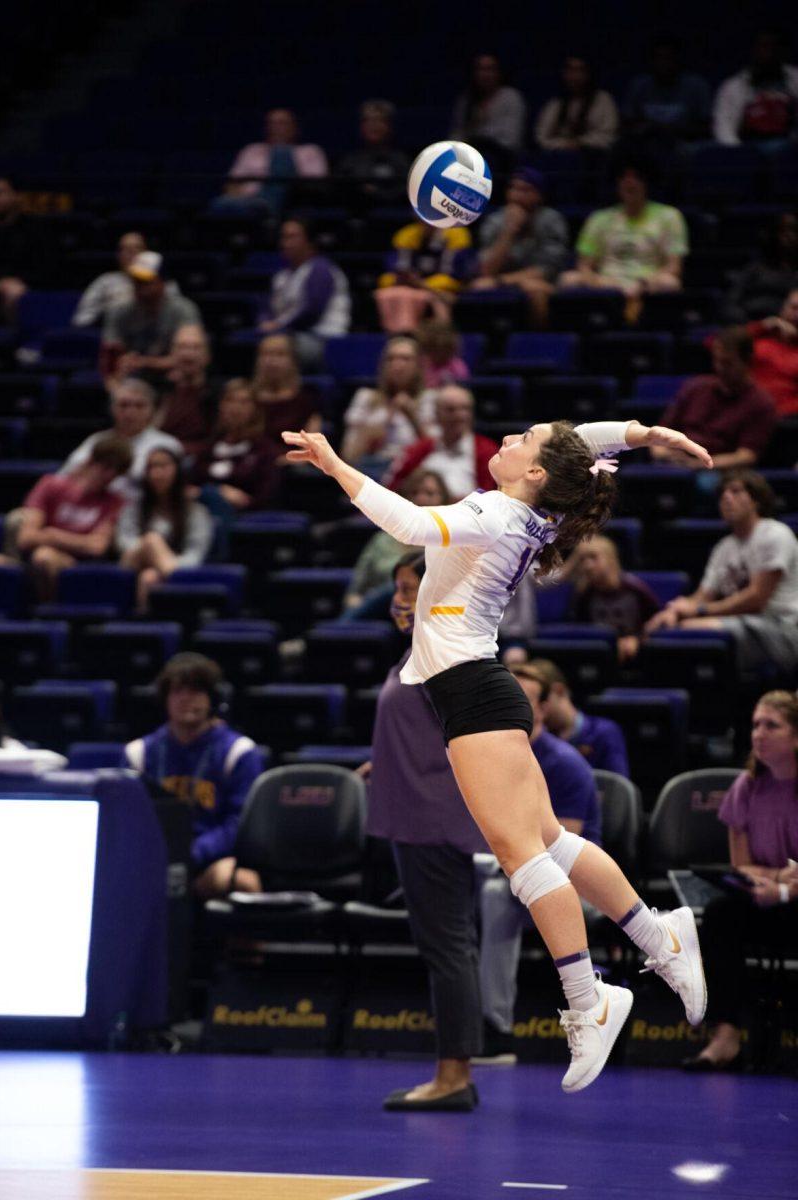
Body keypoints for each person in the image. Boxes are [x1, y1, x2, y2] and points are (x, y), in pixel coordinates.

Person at [282, 414, 712, 1094]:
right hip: (477, 690)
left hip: (474, 695)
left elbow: (408, 526)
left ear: (534, 472)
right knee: (548, 842)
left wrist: (335, 465)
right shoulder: (535, 505)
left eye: (522, 441)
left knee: (522, 857)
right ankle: (661, 937)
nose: (507, 441)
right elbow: (577, 448)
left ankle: (588, 997)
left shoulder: (494, 510)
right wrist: (645, 431)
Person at [361, 552, 488, 1110]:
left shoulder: (445, 652)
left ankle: (454, 1076)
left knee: (448, 949)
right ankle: (453, 1071)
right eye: (397, 590)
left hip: (434, 820)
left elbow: (473, 733)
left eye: (410, 589)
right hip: (413, 816)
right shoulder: (423, 650)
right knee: (446, 947)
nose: (398, 600)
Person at [478, 663, 602, 1061]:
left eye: (523, 699)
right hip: (508, 871)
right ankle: (461, 1020)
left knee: (498, 894)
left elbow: (557, 850)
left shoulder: (565, 764)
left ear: (543, 710)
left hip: (575, 886)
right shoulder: (487, 756)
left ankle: (494, 1030)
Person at [683, 690, 798, 1071]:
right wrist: (781, 878)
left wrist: (784, 889)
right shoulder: (746, 787)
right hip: (764, 899)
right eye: (755, 725)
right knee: (720, 915)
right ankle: (726, 1036)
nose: (759, 734)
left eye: (772, 726)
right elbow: (742, 866)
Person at [123, 653, 264, 899]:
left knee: (243, 882)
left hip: (208, 863)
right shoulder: (139, 753)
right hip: (151, 859)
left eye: (196, 691)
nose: (186, 699)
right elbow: (126, 818)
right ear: (165, 699)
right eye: (178, 691)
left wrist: (193, 851)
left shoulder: (238, 752)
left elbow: (240, 824)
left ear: (213, 699)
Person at [645, 470, 798, 674]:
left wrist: (700, 611)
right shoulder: (724, 547)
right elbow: (702, 596)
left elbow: (757, 598)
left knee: (694, 631)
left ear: (756, 501)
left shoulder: (775, 534)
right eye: (722, 494)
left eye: (735, 491)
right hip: (743, 624)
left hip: (780, 629)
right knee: (663, 630)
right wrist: (673, 612)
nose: (726, 498)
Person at [0, 434, 131, 602]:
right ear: (91, 462)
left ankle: (47, 615)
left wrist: (52, 535)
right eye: (106, 466)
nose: (109, 475)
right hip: (27, 562)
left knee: (44, 556)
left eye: (116, 471)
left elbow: (97, 546)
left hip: (78, 565)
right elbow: (26, 538)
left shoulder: (114, 501)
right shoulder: (50, 485)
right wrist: (80, 541)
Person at [559, 159, 688, 310]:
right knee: (568, 279)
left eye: (636, 178)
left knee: (670, 282)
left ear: (647, 183)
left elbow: (674, 267)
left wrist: (642, 284)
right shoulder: (599, 218)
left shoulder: (670, 216)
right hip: (606, 281)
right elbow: (583, 265)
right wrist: (600, 283)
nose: (630, 183)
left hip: (647, 282)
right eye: (624, 178)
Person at [653, 327, 777, 469]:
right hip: (676, 462)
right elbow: (661, 431)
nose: (719, 368)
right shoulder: (694, 387)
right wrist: (663, 454)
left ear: (747, 361)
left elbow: (746, 456)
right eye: (717, 361)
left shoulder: (761, 403)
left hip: (718, 469)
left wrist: (698, 464)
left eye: (727, 363)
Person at [116, 446, 213, 612]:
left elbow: (195, 554)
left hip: (175, 567)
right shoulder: (133, 508)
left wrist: (159, 563)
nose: (156, 473)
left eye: (163, 466)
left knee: (149, 578)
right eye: (151, 467)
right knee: (152, 540)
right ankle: (179, 584)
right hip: (132, 562)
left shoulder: (196, 512)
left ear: (178, 470)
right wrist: (151, 547)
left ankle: (144, 625)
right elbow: (125, 543)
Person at [473, 166, 569, 324]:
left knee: (534, 288)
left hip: (543, 284)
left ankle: (537, 342)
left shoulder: (551, 221)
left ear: (539, 195)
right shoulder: (495, 222)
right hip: (503, 281)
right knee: (479, 287)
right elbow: (487, 270)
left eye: (525, 190)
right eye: (513, 189)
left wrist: (500, 281)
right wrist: (509, 232)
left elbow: (545, 271)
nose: (516, 196)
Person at [343, 471, 449, 612]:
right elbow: (356, 589)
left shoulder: (449, 542)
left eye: (429, 493)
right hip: (377, 610)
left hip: (427, 612)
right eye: (414, 493)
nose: (422, 499)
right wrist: (354, 601)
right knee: (389, 592)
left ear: (444, 500)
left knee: (398, 587)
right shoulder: (382, 541)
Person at [60, 378, 183, 496]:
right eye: (124, 405)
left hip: (143, 511)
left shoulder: (167, 445)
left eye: (139, 405)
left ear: (151, 410)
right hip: (96, 509)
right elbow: (64, 478)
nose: (130, 412)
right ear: (112, 409)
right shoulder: (97, 440)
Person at [258, 217, 350, 370]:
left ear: (310, 241)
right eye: (283, 237)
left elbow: (311, 313)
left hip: (322, 339)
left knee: (275, 350)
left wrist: (277, 326)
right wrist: (264, 322)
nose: (285, 243)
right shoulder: (282, 276)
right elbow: (267, 308)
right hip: (289, 334)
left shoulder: (321, 270)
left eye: (292, 237)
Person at [99, 251, 202, 387]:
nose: (139, 286)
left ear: (163, 282)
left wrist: (145, 362)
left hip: (172, 379)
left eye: (145, 281)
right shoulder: (119, 312)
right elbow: (110, 358)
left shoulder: (184, 309)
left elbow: (197, 357)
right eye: (135, 280)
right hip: (132, 379)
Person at [383, 385, 499, 499]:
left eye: (465, 409)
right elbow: (392, 488)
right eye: (450, 410)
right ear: (437, 415)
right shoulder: (418, 449)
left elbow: (492, 497)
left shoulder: (488, 450)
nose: (459, 415)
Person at [341, 335, 437, 468]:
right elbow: (349, 456)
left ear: (418, 365)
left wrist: (412, 416)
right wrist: (383, 422)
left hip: (414, 469)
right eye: (391, 359)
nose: (397, 365)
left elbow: (437, 453)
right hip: (372, 469)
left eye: (405, 359)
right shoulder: (365, 397)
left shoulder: (431, 399)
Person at [526, 658, 630, 777]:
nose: (534, 707)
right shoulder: (536, 739)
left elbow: (617, 788)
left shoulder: (605, 732)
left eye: (541, 698)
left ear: (559, 690)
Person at [191, 379, 280, 514]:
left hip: (244, 518)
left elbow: (265, 498)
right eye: (230, 400)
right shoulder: (208, 447)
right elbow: (189, 487)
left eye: (244, 402)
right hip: (202, 512)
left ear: (255, 409)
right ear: (221, 406)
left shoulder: (264, 450)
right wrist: (219, 492)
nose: (235, 408)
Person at [218, 108, 328, 213]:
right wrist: (239, 196)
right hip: (250, 202)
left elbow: (318, 184)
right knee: (222, 203)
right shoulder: (251, 150)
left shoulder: (311, 151)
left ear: (295, 127)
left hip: (296, 203)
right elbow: (232, 182)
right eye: (272, 123)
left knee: (281, 152)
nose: (277, 128)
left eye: (282, 123)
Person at [569, 535, 660, 662]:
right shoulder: (584, 595)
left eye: (593, 557)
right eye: (582, 560)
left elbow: (656, 621)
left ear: (610, 558)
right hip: (600, 655)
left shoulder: (635, 589)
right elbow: (581, 630)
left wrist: (638, 639)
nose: (587, 565)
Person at [375, 220, 472, 333]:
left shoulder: (456, 234)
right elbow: (393, 271)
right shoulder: (407, 234)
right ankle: (400, 336)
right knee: (389, 292)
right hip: (409, 286)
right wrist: (407, 280)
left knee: (440, 302)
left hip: (440, 288)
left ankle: (442, 339)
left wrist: (420, 284)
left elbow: (455, 275)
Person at [713, 28, 798, 147]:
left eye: (774, 47)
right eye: (764, 47)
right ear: (754, 50)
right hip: (748, 148)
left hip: (789, 149)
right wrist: (742, 154)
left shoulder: (795, 79)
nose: (769, 53)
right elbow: (724, 129)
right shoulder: (732, 86)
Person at [623, 34, 712, 145]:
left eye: (669, 58)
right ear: (650, 61)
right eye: (658, 58)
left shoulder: (696, 86)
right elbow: (627, 124)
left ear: (678, 61)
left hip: (686, 145)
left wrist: (670, 129)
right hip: (647, 146)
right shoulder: (639, 86)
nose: (663, 64)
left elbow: (707, 127)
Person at [250, 333, 322, 453]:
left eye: (279, 354)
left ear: (294, 361)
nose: (271, 361)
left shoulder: (307, 399)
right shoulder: (244, 398)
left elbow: (310, 448)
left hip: (288, 464)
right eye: (265, 354)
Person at [155, 325, 220, 454]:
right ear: (172, 353)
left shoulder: (220, 394)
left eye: (196, 347)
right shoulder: (157, 392)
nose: (188, 353)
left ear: (207, 356)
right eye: (182, 347)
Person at [451, 53, 527, 164]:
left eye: (489, 69)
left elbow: (511, 140)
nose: (484, 74)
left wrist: (479, 139)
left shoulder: (511, 97)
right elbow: (456, 134)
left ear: (499, 72)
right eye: (480, 69)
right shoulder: (466, 100)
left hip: (502, 160)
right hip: (468, 159)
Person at [725, 212, 798, 324]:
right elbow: (730, 305)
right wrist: (754, 326)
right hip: (752, 327)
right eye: (783, 231)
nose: (788, 236)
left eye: (793, 231)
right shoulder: (754, 270)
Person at [534, 55, 619, 151]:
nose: (575, 76)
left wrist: (580, 143)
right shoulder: (555, 104)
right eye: (570, 70)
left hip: (593, 156)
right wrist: (565, 144)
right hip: (559, 155)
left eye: (580, 70)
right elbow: (541, 137)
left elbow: (609, 136)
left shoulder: (603, 99)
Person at [336, 99, 409, 203]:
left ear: (389, 126)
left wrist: (378, 193)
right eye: (368, 120)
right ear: (361, 126)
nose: (373, 125)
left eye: (379, 120)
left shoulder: (401, 160)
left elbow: (406, 193)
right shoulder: (349, 161)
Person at [72, 231, 148, 327]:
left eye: (137, 248)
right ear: (118, 255)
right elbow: (81, 319)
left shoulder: (161, 285)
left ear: (147, 253)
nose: (131, 253)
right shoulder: (105, 281)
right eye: (125, 249)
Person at [0, 176, 47, 322]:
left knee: (13, 291)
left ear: (16, 196)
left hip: (22, 285)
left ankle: (14, 340)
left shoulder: (35, 229)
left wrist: (11, 281)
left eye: (0, 193)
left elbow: (44, 269)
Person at [746, 288, 798, 417]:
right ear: (783, 308)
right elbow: (715, 345)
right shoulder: (759, 336)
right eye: (794, 307)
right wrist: (761, 327)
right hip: (746, 412)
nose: (797, 315)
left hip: (787, 420)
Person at [417, 319, 470, 388]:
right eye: (433, 349)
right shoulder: (420, 364)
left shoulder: (457, 367)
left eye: (443, 350)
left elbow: (462, 390)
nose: (438, 354)